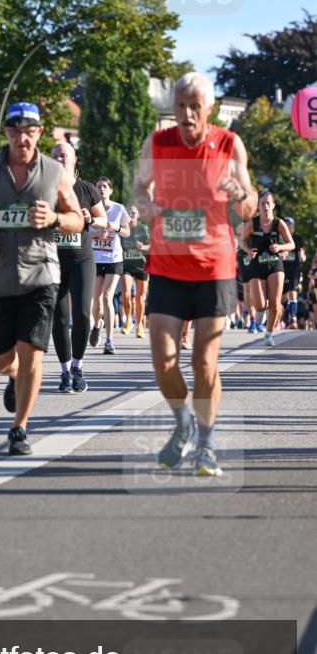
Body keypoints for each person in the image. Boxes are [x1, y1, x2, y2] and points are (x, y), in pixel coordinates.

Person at [134, 71, 257, 477]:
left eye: (194, 107)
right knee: (163, 361)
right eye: (180, 107)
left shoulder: (228, 144)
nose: (186, 114)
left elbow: (251, 205)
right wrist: (145, 204)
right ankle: (182, 421)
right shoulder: (158, 143)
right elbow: (139, 187)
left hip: (214, 267)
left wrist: (240, 194)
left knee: (205, 363)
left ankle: (206, 442)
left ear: (209, 109)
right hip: (168, 266)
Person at [0, 102, 83, 455]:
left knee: (32, 352)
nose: (22, 137)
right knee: (0, 359)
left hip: (41, 275)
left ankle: (19, 428)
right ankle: (13, 376)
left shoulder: (54, 172)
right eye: (15, 130)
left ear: (39, 133)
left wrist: (55, 219)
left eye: (29, 130)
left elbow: (77, 217)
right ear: (8, 133)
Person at [50, 141, 106, 392]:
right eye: (55, 156)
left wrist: (91, 219)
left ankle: (78, 366)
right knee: (58, 318)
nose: (60, 159)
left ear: (75, 160)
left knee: (83, 313)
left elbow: (103, 220)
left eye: (65, 155)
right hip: (52, 260)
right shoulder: (42, 189)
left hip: (81, 259)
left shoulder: (86, 189)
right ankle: (63, 371)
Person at [242, 190, 294, 347]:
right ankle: (259, 312)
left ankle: (269, 334)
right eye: (262, 203)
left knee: (275, 302)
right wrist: (248, 250)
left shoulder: (279, 223)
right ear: (258, 206)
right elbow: (241, 241)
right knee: (259, 305)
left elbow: (291, 244)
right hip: (257, 266)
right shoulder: (253, 223)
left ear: (273, 206)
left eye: (268, 203)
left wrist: (280, 247)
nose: (265, 206)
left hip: (275, 265)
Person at [89, 177, 130, 354]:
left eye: (104, 186)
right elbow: (84, 235)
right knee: (96, 299)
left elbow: (127, 232)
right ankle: (97, 324)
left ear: (110, 190)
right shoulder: (91, 209)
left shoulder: (119, 209)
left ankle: (109, 341)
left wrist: (116, 228)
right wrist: (98, 233)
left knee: (107, 297)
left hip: (114, 259)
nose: (101, 189)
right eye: (98, 186)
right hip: (96, 258)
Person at [120, 205, 150, 339]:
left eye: (133, 212)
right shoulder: (123, 227)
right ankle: (128, 320)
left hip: (141, 265)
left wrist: (143, 246)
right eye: (128, 212)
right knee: (126, 294)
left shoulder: (143, 228)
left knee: (140, 298)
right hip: (126, 265)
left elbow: (151, 245)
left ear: (138, 215)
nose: (130, 214)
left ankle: (139, 325)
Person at [281, 216, 306, 330]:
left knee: (292, 293)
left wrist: (302, 256)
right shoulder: (280, 238)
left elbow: (302, 253)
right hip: (281, 270)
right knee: (282, 297)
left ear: (293, 226)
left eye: (289, 224)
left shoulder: (297, 238)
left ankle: (293, 319)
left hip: (294, 270)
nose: (287, 226)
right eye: (285, 224)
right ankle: (281, 319)